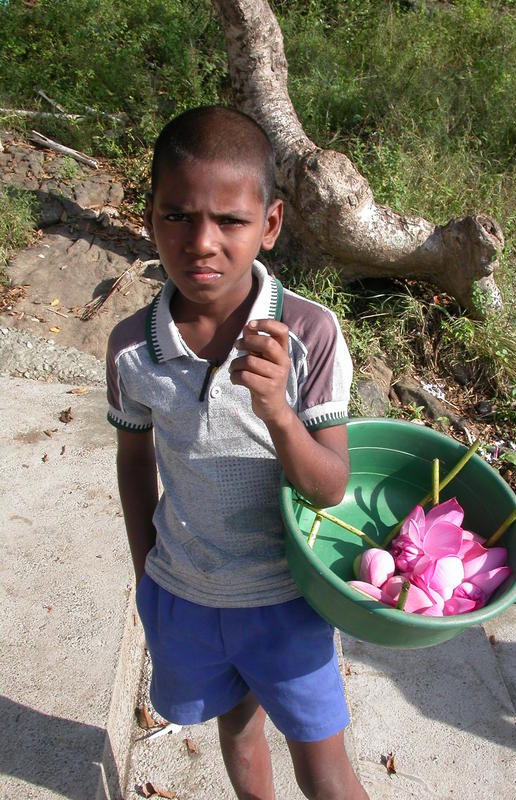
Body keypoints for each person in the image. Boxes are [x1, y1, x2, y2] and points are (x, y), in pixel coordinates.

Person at [106, 105, 368, 800]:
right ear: (151, 215)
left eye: (230, 221)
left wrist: (278, 412)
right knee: (238, 730)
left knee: (327, 773)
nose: (202, 243)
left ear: (271, 224)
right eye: (178, 216)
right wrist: (147, 578)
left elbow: (331, 486)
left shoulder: (309, 333)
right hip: (185, 598)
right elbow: (135, 465)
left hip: (289, 601)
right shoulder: (132, 348)